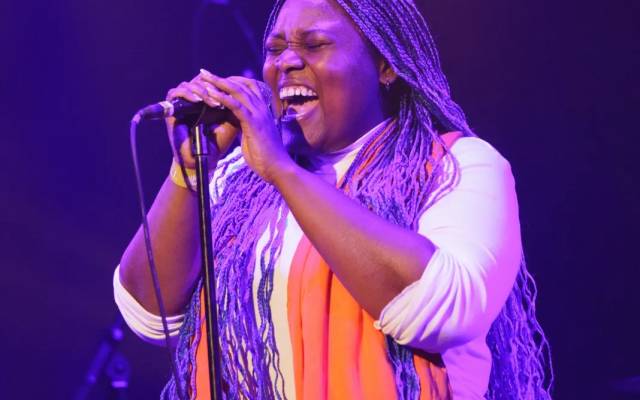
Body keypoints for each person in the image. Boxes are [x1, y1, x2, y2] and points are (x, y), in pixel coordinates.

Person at [114, 0, 553, 398]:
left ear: (385, 64)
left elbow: (444, 307)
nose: (286, 62)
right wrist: (189, 174)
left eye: (315, 44)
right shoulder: (238, 179)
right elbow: (147, 312)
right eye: (275, 48)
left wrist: (281, 171)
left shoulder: (457, 165)